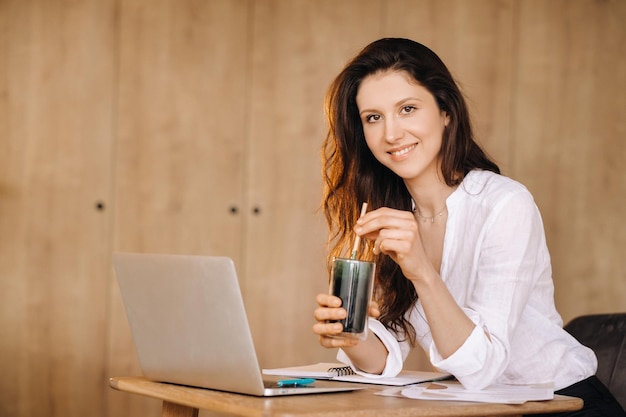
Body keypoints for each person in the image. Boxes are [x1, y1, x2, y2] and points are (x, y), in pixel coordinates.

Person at [312, 38, 625, 416]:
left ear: (445, 111)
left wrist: (422, 270)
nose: (391, 134)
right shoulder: (389, 214)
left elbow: (484, 366)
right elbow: (386, 357)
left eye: (407, 109)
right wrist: (348, 333)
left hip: (561, 404)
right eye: (373, 118)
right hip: (476, 406)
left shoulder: (504, 204)